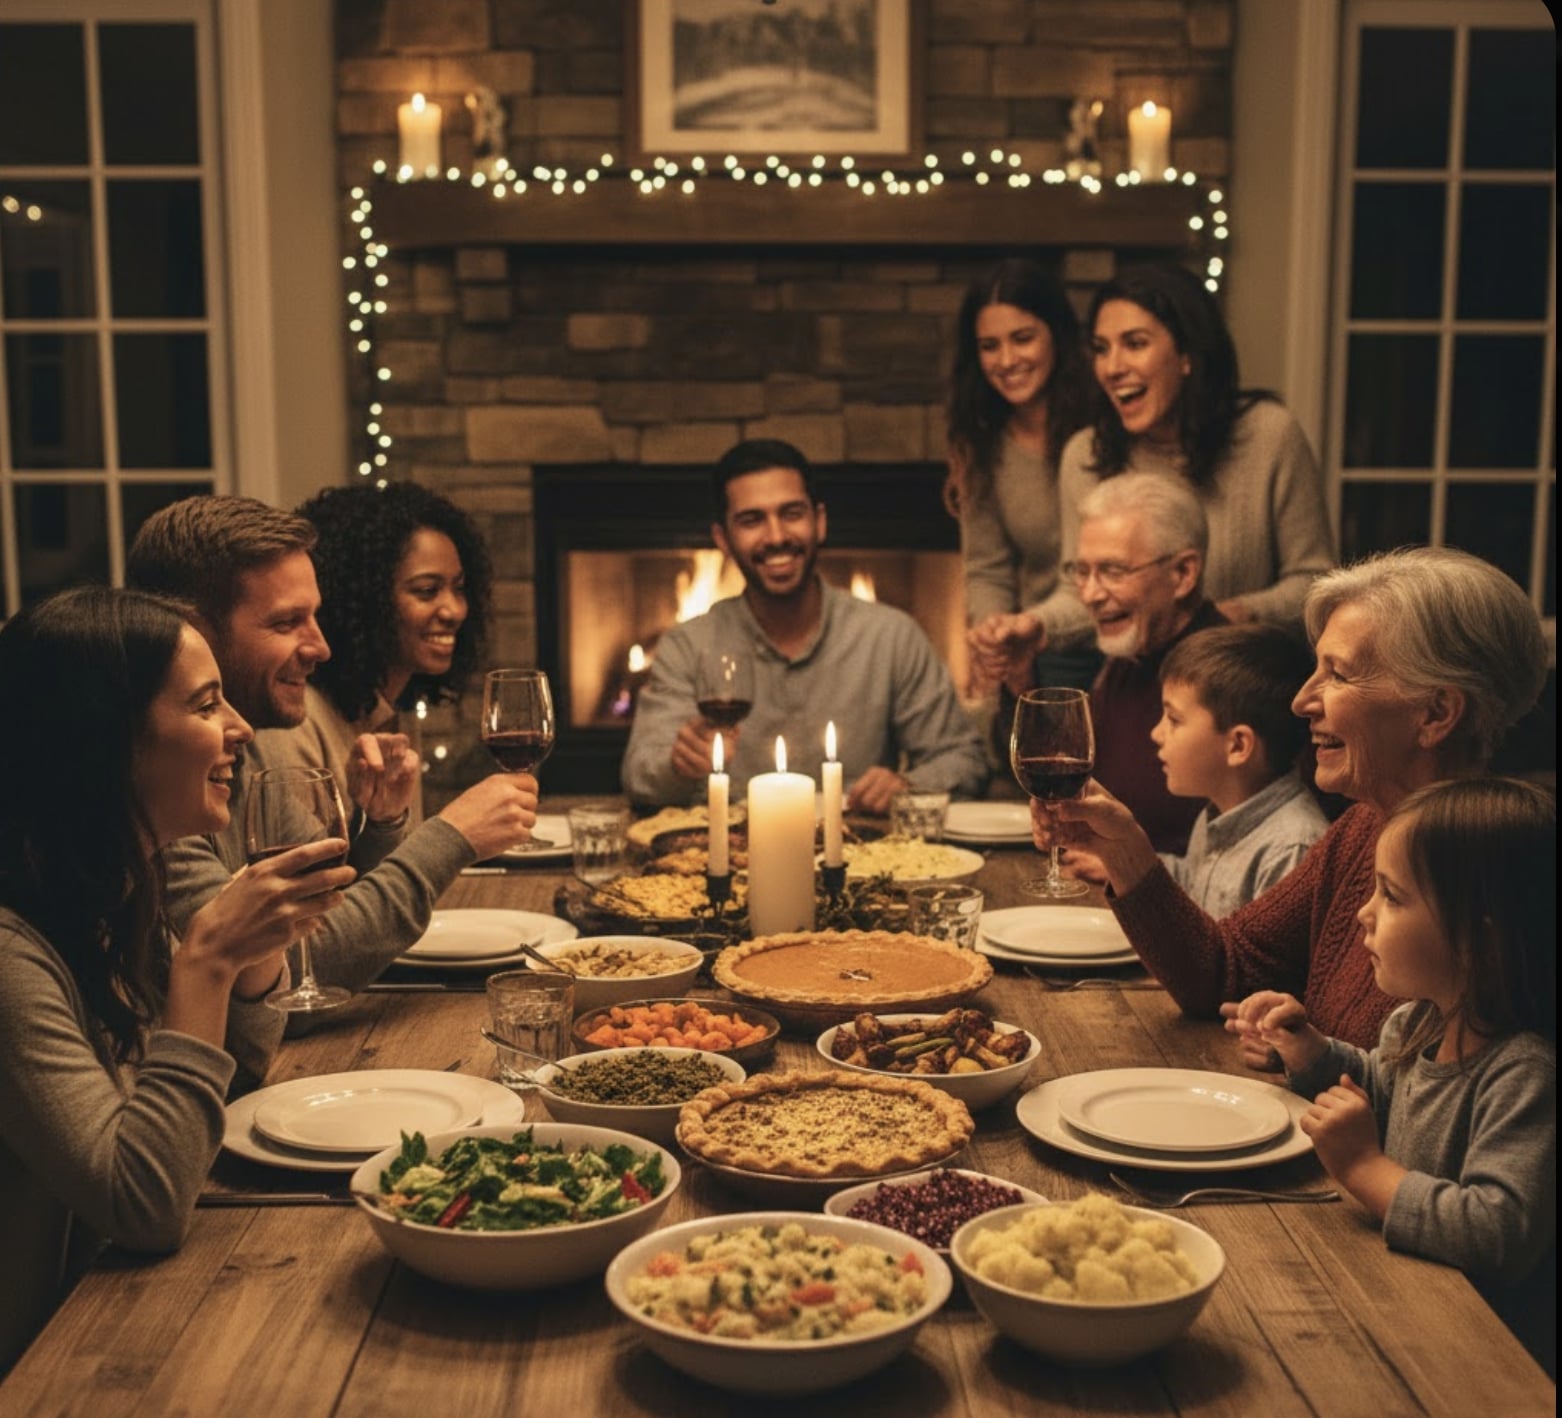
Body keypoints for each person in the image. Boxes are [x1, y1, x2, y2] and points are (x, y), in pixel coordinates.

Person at [0, 588, 354, 1369]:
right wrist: (208, 960)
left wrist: (256, 961)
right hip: (44, 1366)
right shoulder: (12, 956)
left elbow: (221, 1092)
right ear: (109, 743)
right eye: (204, 705)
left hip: (103, 1314)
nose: (238, 730)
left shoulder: (116, 891)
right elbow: (144, 1204)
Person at [1037, 547, 1547, 1050]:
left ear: (1435, 714)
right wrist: (1124, 850)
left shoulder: (1489, 876)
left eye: (1338, 674)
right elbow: (1224, 972)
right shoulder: (1361, 828)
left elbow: (1446, 1109)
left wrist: (1314, 1063)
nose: (1302, 701)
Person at [126, 495, 537, 993]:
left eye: (315, 617)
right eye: (285, 622)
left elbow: (321, 913)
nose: (321, 647)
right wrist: (452, 837)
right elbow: (298, 977)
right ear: (190, 632)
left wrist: (380, 828)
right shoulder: (157, 788)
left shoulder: (246, 749)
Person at [1228, 778, 1555, 1373]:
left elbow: (1498, 1233)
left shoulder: (1524, 1073)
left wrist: (1364, 1168)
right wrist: (1310, 1053)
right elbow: (1381, 1088)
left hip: (1481, 1360)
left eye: (1393, 897)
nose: (1364, 912)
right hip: (1398, 1301)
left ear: (1480, 938)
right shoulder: (1416, 1025)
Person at [985, 263, 1334, 688]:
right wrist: (1036, 625)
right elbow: (1083, 594)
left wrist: (1228, 617)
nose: (1112, 367)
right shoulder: (1086, 454)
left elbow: (1315, 585)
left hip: (1245, 685)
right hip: (1133, 683)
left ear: (1187, 355)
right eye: (1100, 348)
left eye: (1134, 343)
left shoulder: (1269, 435)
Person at [622, 439, 988, 812]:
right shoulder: (688, 644)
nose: (777, 536)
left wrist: (909, 785)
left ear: (820, 521)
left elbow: (963, 759)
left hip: (862, 850)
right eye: (752, 520)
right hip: (730, 852)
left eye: (792, 513)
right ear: (724, 540)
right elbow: (640, 777)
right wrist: (678, 768)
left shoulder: (891, 636)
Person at [263, 481, 493, 828]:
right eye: (427, 591)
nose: (455, 610)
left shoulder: (395, 708)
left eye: (458, 588)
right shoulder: (298, 722)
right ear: (366, 600)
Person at [944, 258, 1095, 695]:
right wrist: (994, 632)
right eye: (989, 346)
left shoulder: (1105, 429)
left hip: (1111, 640)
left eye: (1023, 339)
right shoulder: (981, 441)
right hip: (1040, 647)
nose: (1006, 360)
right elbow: (986, 569)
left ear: (1057, 336)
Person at [1067, 471, 1227, 854]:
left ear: (1183, 574)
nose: (1090, 594)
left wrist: (1132, 863)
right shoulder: (1126, 659)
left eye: (1112, 571)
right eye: (1082, 571)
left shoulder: (1228, 675)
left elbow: (1241, 859)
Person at [1152, 623, 1328, 914]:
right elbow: (1196, 886)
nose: (1156, 734)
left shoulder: (1291, 852)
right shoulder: (1219, 810)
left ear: (1237, 746)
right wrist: (1126, 865)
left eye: (1173, 720)